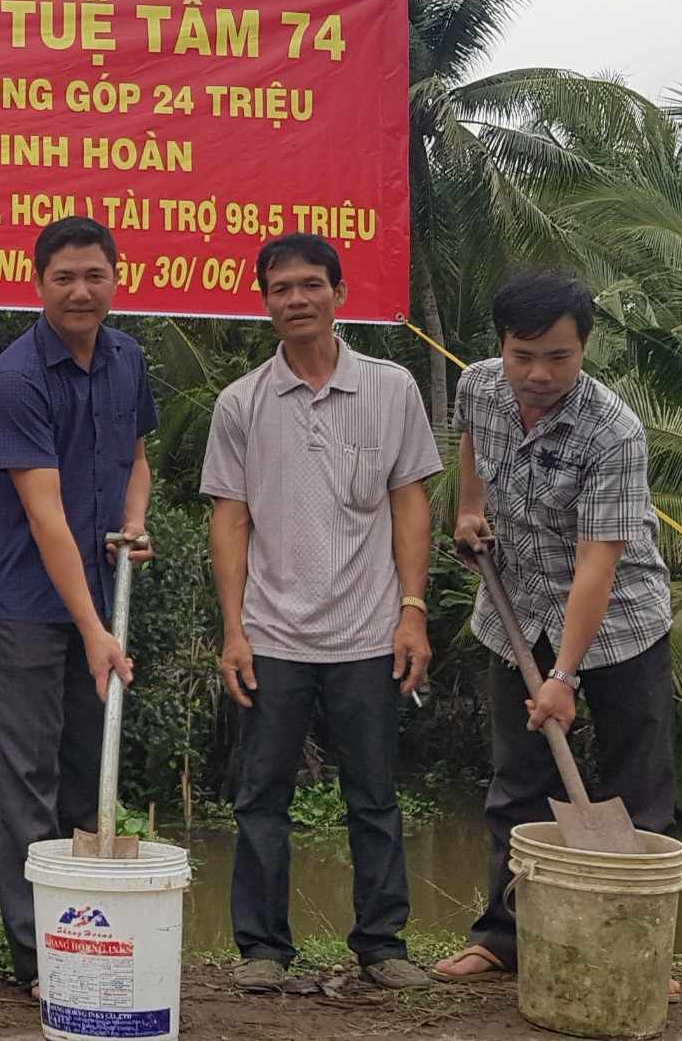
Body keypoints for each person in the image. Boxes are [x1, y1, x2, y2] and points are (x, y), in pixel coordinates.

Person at [201, 234, 443, 993]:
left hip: (369, 632)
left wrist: (412, 611)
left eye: (311, 284)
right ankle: (263, 951)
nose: (296, 299)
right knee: (260, 798)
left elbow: (410, 502)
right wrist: (234, 631)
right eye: (281, 288)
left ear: (339, 293)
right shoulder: (241, 403)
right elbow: (230, 520)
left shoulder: (391, 388)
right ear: (265, 302)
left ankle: (382, 946)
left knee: (373, 796)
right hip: (271, 634)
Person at [432, 269, 675, 985]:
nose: (539, 374)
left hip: (619, 621)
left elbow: (597, 566)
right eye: (523, 355)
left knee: (638, 787)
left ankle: (639, 954)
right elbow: (471, 440)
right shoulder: (479, 386)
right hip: (516, 606)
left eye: (558, 357)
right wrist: (469, 508)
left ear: (583, 349)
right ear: (502, 346)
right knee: (518, 782)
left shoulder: (613, 432)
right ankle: (502, 940)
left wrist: (563, 676)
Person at [0, 215, 154, 994]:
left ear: (117, 277)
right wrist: (91, 630)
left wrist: (135, 519)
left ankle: (92, 932)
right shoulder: (17, 378)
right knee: (27, 780)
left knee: (89, 771)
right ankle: (37, 956)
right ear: (38, 283)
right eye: (64, 278)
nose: (81, 292)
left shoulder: (127, 358)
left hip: (99, 603)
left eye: (94, 275)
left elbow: (137, 458)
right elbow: (45, 516)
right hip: (28, 608)